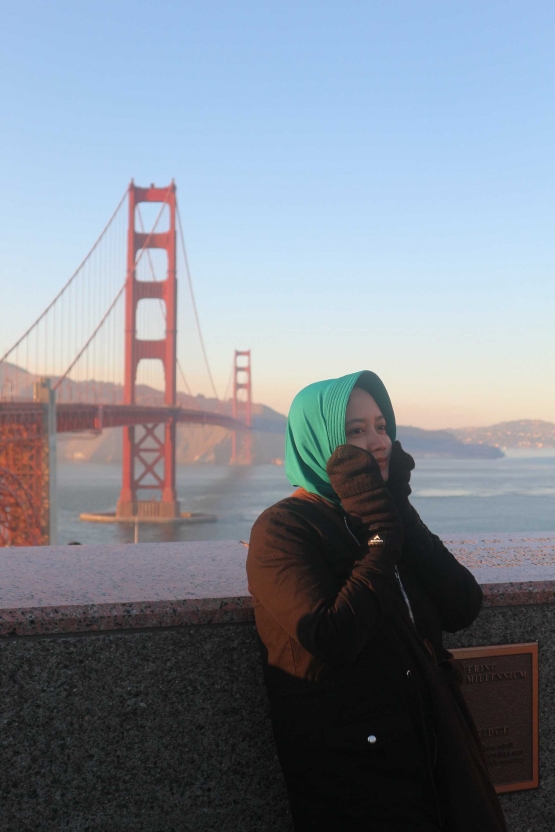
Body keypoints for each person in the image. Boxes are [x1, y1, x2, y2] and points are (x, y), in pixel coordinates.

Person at [247, 370, 506, 832]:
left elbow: (462, 604)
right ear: (317, 440)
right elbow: (331, 636)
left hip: (436, 749)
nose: (379, 442)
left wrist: (398, 512)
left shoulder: (382, 513)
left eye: (382, 426)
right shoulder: (283, 529)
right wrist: (382, 534)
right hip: (357, 776)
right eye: (355, 432)